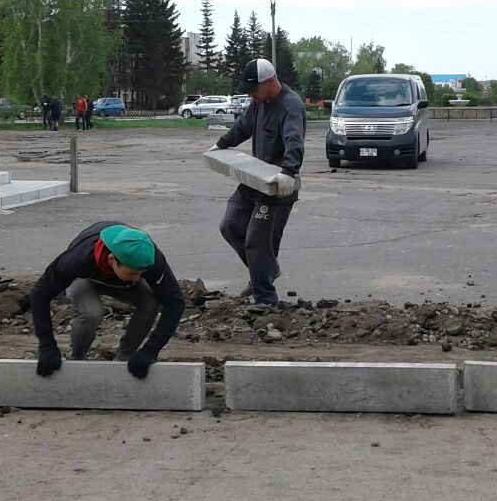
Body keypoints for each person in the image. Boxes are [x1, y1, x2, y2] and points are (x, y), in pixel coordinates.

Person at [28, 222, 185, 379]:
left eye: (142, 273)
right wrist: (47, 345)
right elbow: (39, 294)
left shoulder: (149, 257)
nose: (138, 278)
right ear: (112, 259)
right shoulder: (76, 260)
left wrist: (151, 350)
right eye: (133, 273)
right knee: (92, 313)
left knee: (151, 301)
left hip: (123, 282)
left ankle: (125, 360)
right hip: (84, 279)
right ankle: (77, 360)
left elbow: (175, 302)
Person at [209, 58, 306, 307]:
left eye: (254, 90)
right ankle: (265, 270)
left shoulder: (290, 105)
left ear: (270, 81)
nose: (252, 95)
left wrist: (289, 170)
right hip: (255, 180)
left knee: (257, 241)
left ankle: (266, 299)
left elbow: (294, 140)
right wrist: (222, 144)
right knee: (229, 225)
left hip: (278, 185)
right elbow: (243, 127)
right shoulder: (259, 103)